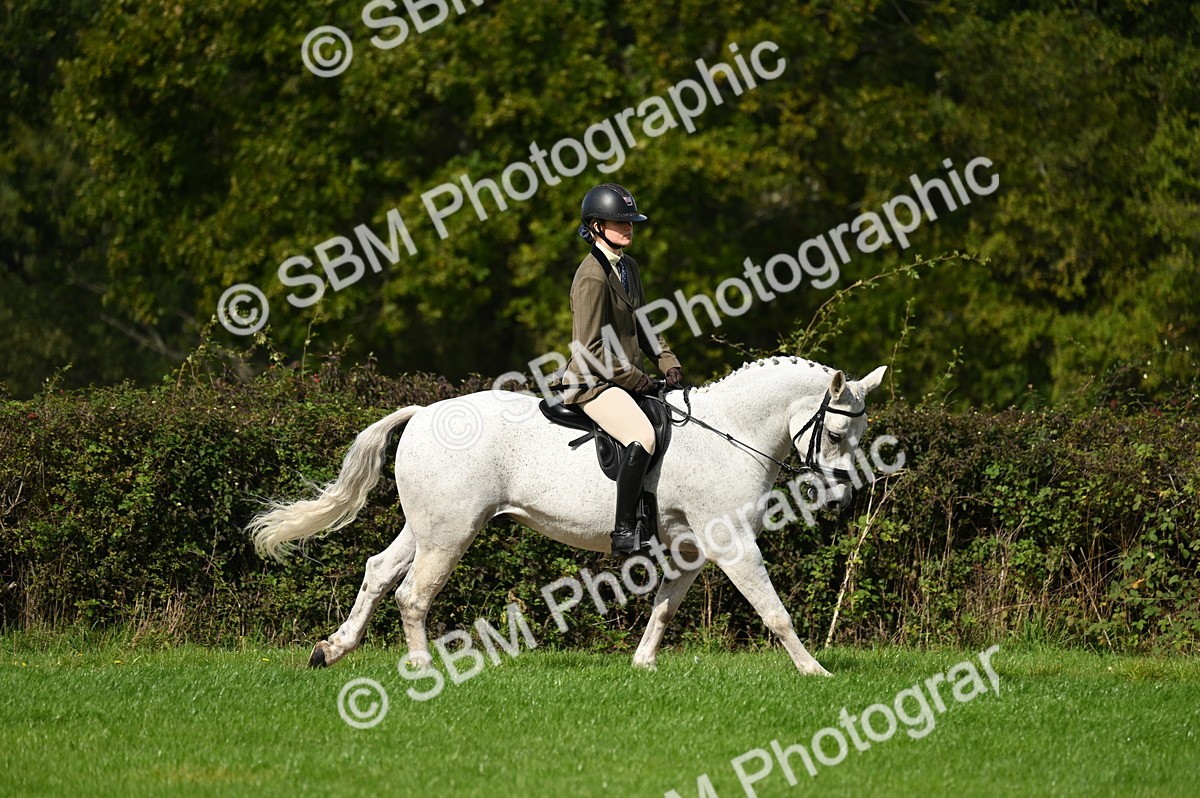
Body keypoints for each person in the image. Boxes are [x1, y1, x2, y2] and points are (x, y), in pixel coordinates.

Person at [560, 183, 685, 555]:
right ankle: (625, 531)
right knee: (643, 435)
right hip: (592, 382)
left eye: (631, 222)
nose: (629, 228)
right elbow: (589, 348)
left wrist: (668, 362)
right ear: (596, 226)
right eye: (620, 222)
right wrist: (638, 378)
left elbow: (644, 325)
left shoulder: (628, 267)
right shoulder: (591, 276)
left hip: (626, 380)